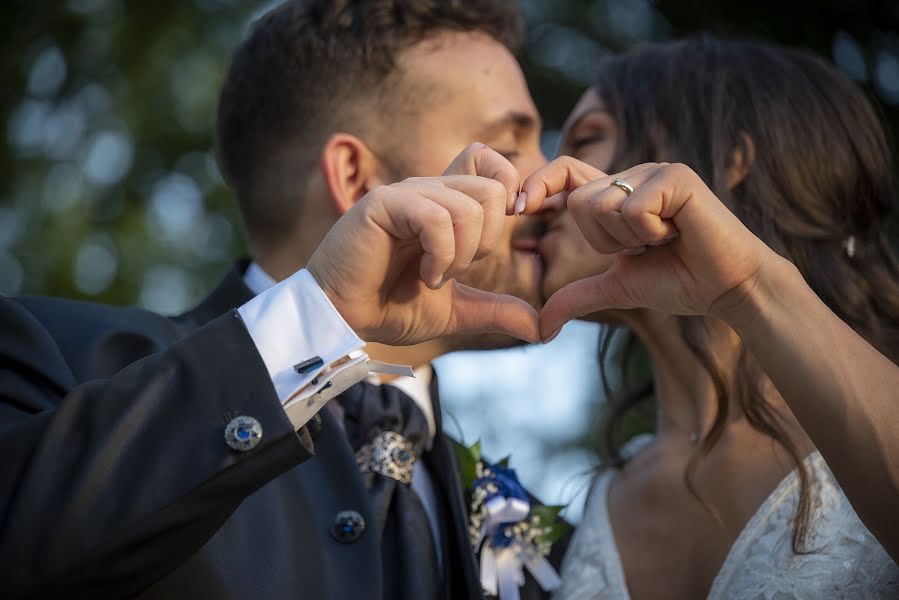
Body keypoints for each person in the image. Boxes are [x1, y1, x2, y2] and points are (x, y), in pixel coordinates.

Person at [0, 1, 567, 598]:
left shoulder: (527, 526)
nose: (549, 184)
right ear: (357, 177)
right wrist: (318, 320)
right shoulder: (55, 355)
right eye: (509, 146)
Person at [514, 37, 899, 598]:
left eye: (588, 140)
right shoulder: (583, 505)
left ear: (729, 163)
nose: (545, 191)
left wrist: (747, 286)